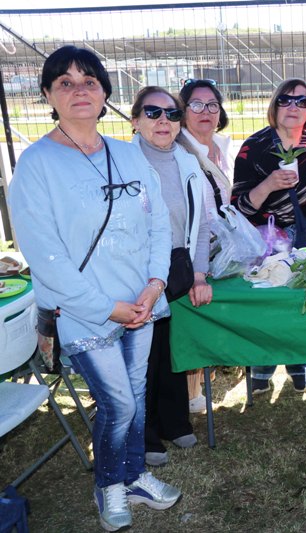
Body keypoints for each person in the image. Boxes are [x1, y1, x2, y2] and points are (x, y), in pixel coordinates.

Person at [8, 45, 180, 532]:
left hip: (140, 304)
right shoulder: (37, 164)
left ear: (105, 92)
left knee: (138, 393)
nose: (78, 89)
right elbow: (45, 256)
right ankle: (109, 485)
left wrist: (153, 285)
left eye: (89, 80)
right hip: (85, 312)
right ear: (48, 94)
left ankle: (136, 476)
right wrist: (110, 308)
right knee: (119, 403)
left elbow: (158, 228)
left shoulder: (128, 154)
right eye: (64, 81)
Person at [130, 86, 214, 467]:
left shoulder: (187, 160)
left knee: (170, 347)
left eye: (171, 114)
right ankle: (145, 434)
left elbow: (201, 223)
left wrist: (199, 274)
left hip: (178, 264)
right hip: (138, 267)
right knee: (144, 353)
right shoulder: (123, 161)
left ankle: (174, 420)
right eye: (153, 112)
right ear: (136, 119)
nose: (164, 121)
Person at [232, 78, 306, 394]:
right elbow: (239, 207)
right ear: (275, 106)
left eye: (301, 101)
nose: (293, 107)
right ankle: (261, 364)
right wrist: (270, 184)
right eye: (286, 100)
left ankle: (298, 364)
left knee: (298, 302)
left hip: (304, 237)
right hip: (264, 240)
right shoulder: (254, 147)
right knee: (267, 305)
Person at [176, 78, 234, 414]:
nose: (205, 111)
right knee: (192, 315)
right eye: (196, 104)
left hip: (217, 247)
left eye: (212, 104)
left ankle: (195, 386)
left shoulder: (220, 146)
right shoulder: (180, 151)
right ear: (183, 112)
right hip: (191, 249)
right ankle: (188, 393)